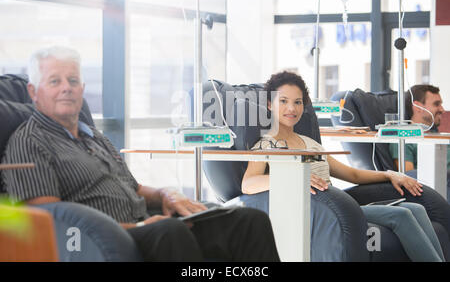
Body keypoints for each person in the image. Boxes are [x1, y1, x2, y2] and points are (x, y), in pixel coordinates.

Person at [1, 46, 280, 262]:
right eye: (54, 81)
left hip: (148, 220)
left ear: (83, 89)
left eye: (73, 80)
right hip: (106, 237)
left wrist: (168, 194)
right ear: (33, 92)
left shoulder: (93, 136)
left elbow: (134, 187)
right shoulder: (28, 141)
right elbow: (49, 218)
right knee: (171, 232)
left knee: (248, 221)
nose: (66, 87)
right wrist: (141, 225)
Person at [242, 71, 445, 262]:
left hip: (340, 206)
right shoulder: (266, 145)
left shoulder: (310, 143)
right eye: (283, 101)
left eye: (297, 102)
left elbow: (352, 174)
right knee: (401, 214)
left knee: (415, 208)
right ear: (269, 104)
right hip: (320, 212)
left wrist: (390, 174)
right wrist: (294, 179)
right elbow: (248, 184)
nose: (291, 109)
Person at [389, 84, 449, 200]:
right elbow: (409, 176)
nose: (442, 109)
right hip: (437, 185)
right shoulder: (404, 139)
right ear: (418, 107)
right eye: (437, 104)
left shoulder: (439, 137)